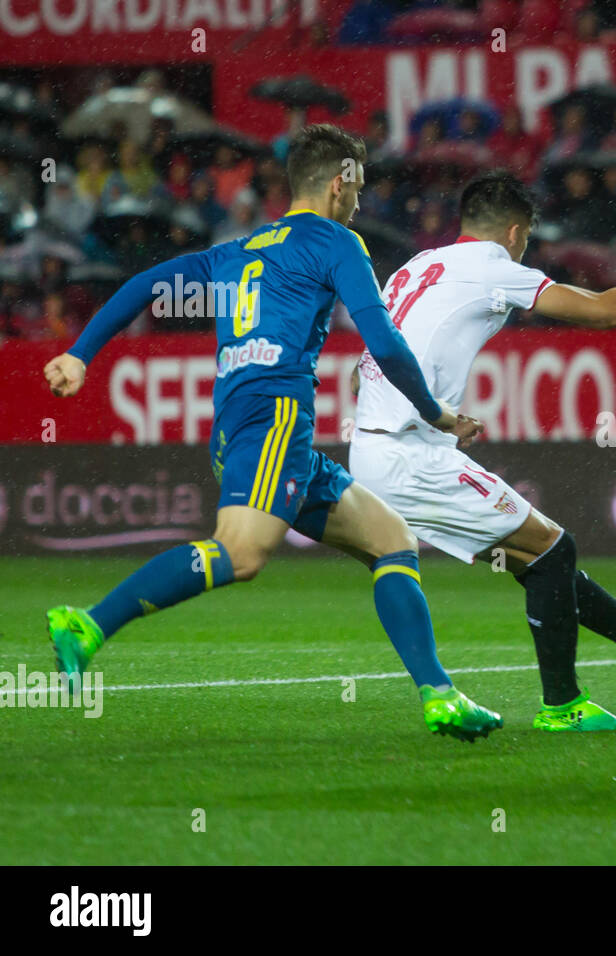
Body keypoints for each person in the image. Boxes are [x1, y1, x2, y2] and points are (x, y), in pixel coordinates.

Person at [41, 124, 502, 743]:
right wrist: (434, 411)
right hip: (275, 416)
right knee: (240, 553)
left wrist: (81, 353)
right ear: (341, 181)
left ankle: (440, 695)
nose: (360, 200)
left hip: (242, 426)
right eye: (359, 186)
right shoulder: (338, 242)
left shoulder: (236, 250)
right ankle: (89, 625)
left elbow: (147, 284)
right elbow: (383, 338)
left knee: (391, 540)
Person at [349, 171, 616, 732]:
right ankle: (563, 706)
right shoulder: (494, 267)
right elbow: (612, 310)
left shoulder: (413, 269)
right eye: (525, 239)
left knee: (539, 559)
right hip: (408, 457)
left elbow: (365, 378)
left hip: (378, 444)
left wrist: (435, 417)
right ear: (513, 231)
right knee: (554, 549)